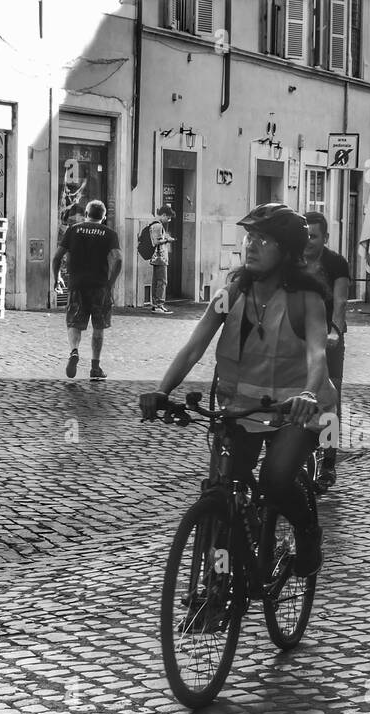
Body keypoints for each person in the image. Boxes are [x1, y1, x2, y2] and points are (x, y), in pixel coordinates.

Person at [138, 203, 333, 576]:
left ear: (287, 251)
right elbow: (193, 348)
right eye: (250, 237)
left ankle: (308, 532)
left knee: (275, 481)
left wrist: (308, 394)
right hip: (239, 409)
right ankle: (217, 587)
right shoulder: (231, 294)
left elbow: (317, 355)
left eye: (265, 240)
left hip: (297, 410)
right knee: (222, 490)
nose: (252, 245)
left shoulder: (306, 299)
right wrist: (162, 391)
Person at [301, 211, 350, 492]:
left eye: (314, 236)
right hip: (299, 339)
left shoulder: (335, 263)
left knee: (331, 398)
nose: (308, 241)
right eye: (305, 235)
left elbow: (341, 301)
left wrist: (335, 330)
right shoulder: (293, 261)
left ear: (325, 238)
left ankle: (328, 460)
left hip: (329, 336)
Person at [52, 200, 122, 381]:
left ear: (86, 214)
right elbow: (119, 260)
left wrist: (57, 278)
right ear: (104, 217)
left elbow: (57, 257)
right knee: (99, 327)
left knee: (74, 323)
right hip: (100, 287)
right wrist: (110, 284)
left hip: (77, 285)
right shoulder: (110, 234)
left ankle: (74, 351)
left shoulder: (73, 230)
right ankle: (95, 367)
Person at [143, 206, 176, 314]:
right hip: (159, 257)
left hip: (157, 257)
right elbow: (157, 241)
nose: (169, 220)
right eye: (169, 217)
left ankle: (156, 305)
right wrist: (168, 239)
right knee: (162, 281)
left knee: (157, 281)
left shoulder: (155, 224)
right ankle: (159, 305)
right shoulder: (157, 225)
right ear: (164, 215)